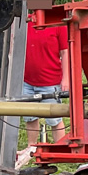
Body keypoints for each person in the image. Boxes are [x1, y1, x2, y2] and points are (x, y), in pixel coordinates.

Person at [23, 14, 68, 147]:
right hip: (27, 80)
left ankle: (60, 149)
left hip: (50, 82)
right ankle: (31, 148)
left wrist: (66, 79)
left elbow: (65, 52)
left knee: (54, 119)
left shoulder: (59, 24)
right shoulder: (26, 20)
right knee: (30, 116)